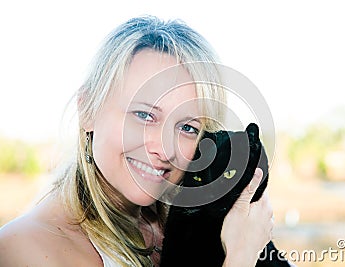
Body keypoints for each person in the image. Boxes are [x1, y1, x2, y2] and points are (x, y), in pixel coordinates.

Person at [0, 15, 274, 267]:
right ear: (88, 110)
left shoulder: (191, 226)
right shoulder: (25, 248)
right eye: (144, 115)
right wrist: (241, 255)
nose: (165, 149)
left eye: (188, 127)